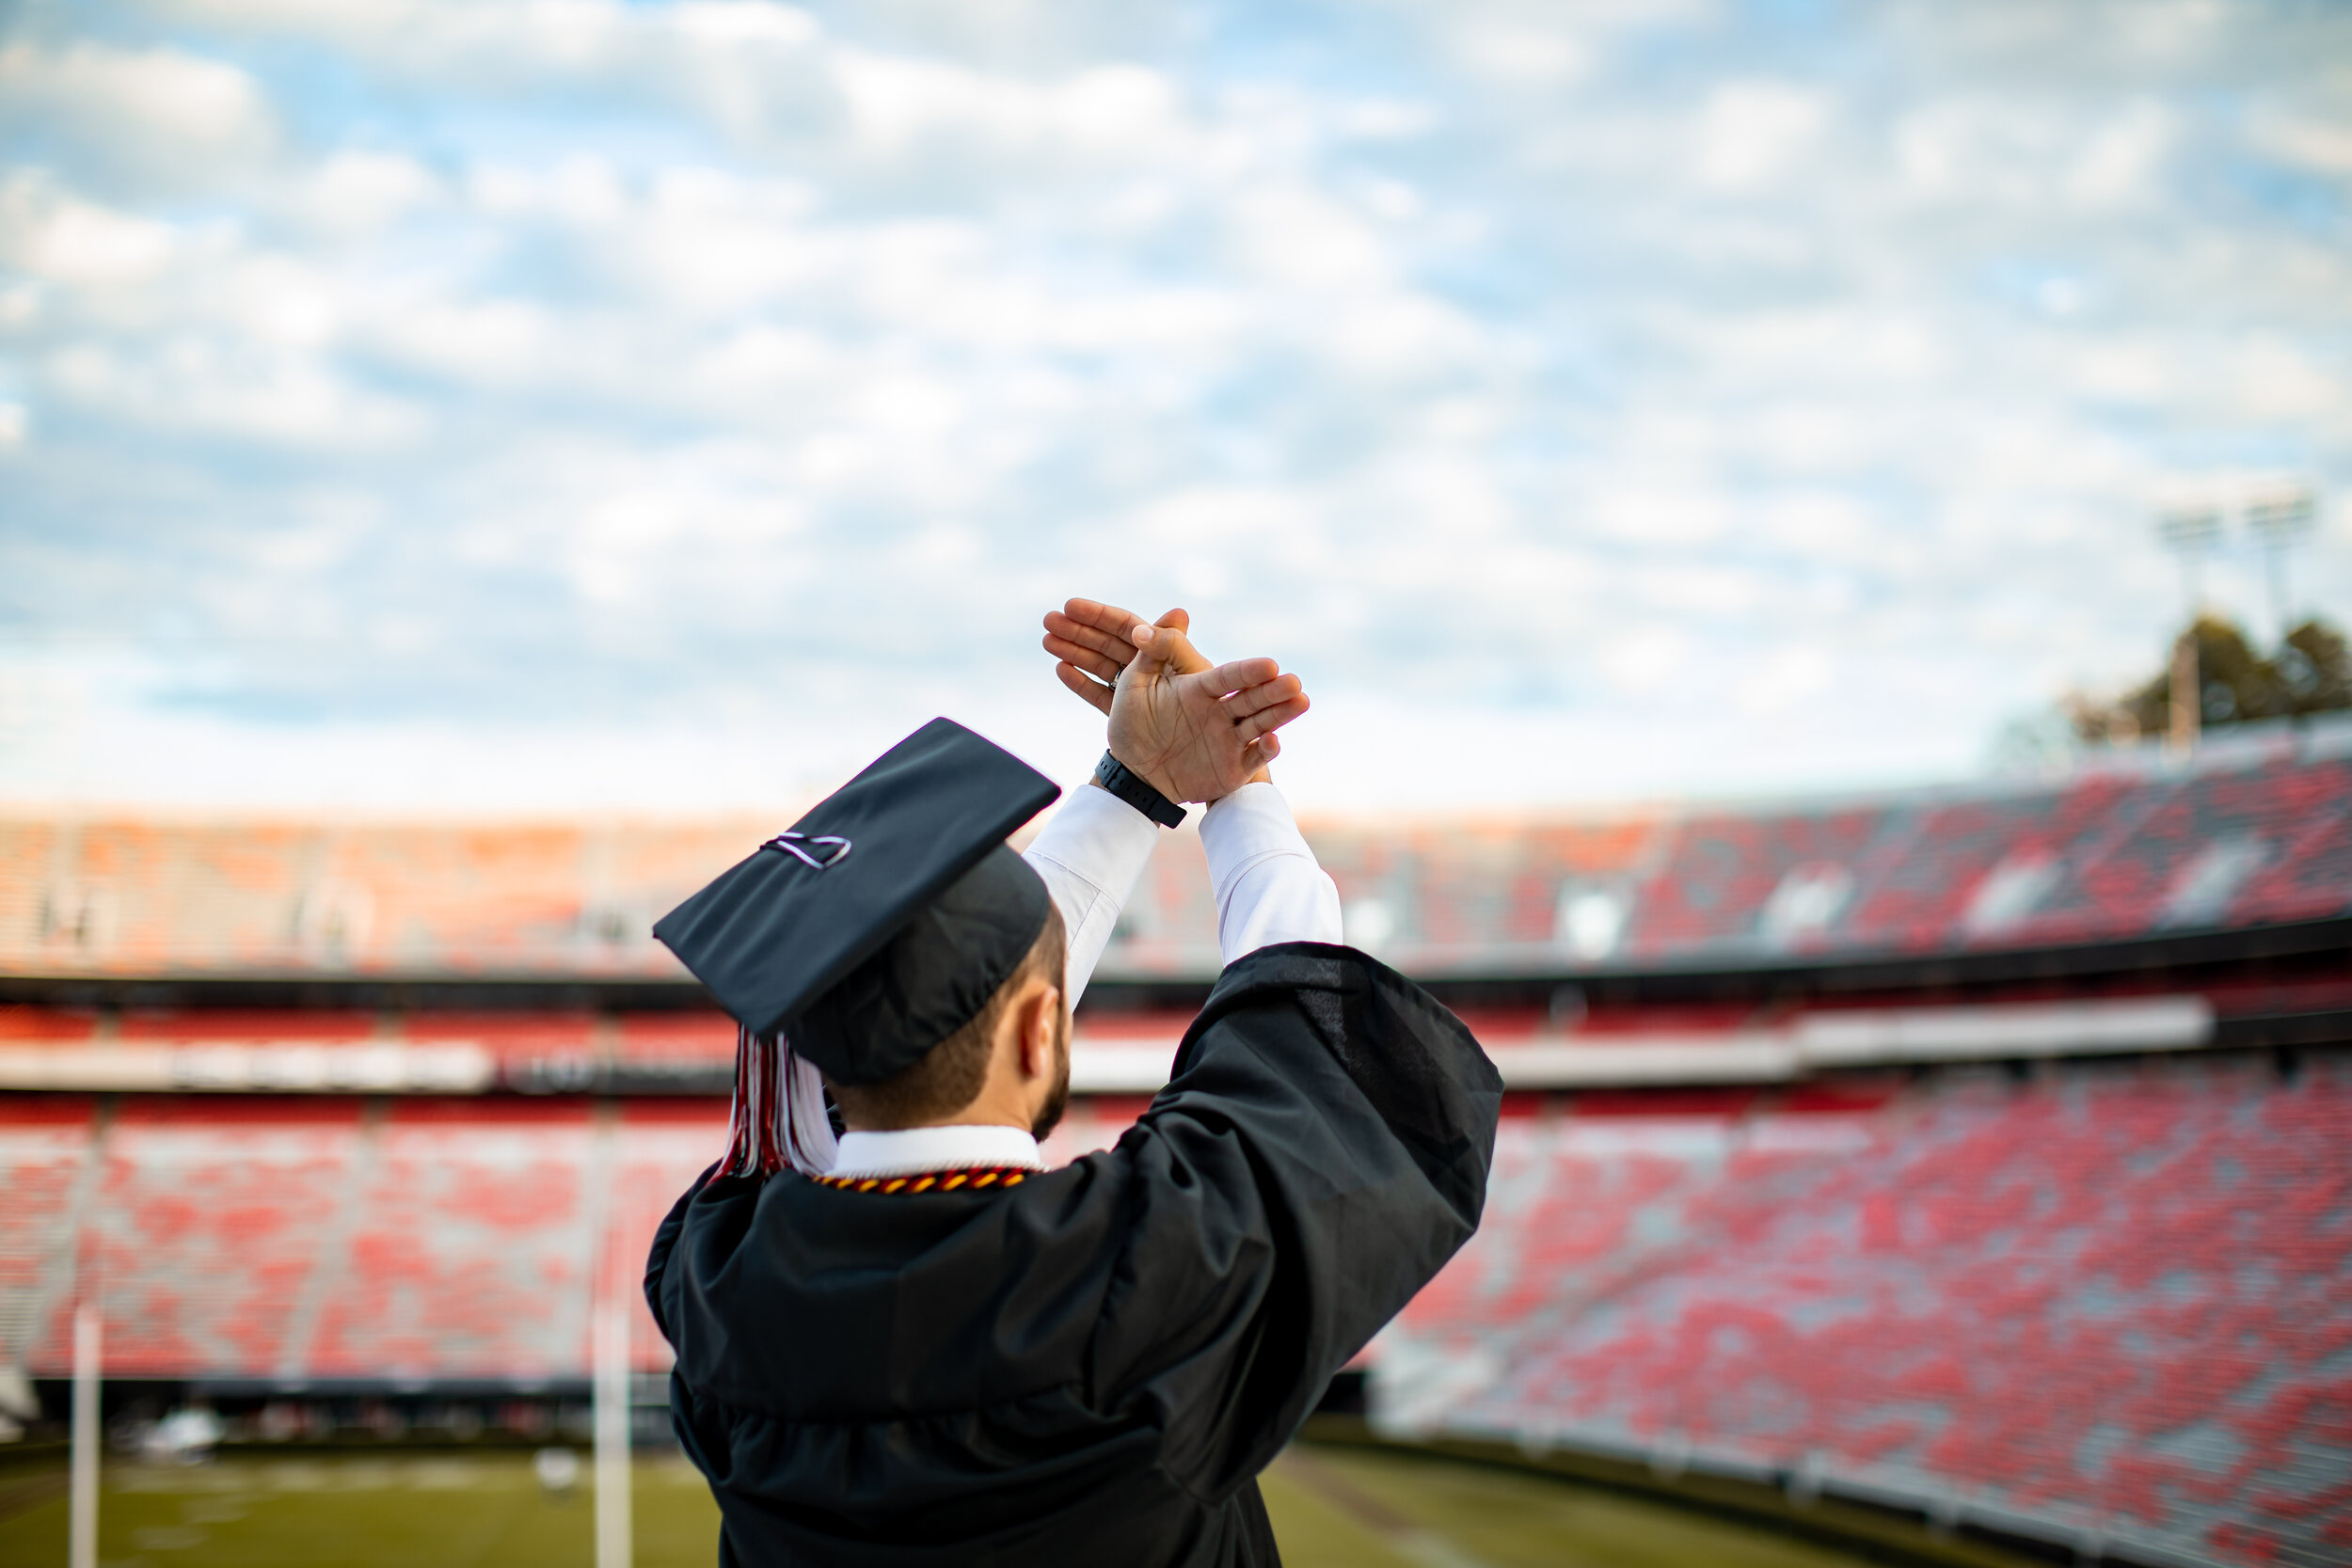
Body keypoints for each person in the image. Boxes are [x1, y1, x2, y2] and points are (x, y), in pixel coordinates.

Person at [644, 600, 1502, 1567]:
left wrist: (1135, 785)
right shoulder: (1137, 1278)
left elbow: (1287, 1055)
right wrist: (1236, 781)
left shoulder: (721, 1283)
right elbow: (1312, 1056)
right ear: (1038, 1024)